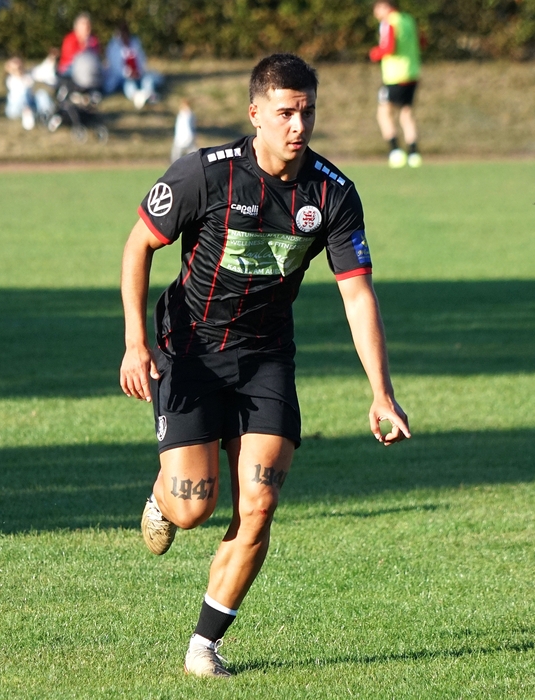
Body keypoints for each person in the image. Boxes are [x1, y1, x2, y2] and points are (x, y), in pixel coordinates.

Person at [120, 53, 410, 678]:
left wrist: (381, 392)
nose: (298, 125)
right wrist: (135, 343)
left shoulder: (332, 193)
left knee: (259, 503)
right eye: (284, 113)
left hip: (266, 358)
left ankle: (204, 646)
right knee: (194, 508)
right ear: (255, 114)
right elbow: (139, 244)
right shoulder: (205, 174)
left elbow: (357, 294)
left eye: (307, 112)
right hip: (190, 351)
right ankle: (163, 497)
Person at [368, 0, 422, 168]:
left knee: (384, 113)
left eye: (377, 8)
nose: (376, 13)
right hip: (412, 73)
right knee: (406, 113)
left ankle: (395, 151)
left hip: (395, 76)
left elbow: (389, 47)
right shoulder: (408, 20)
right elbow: (422, 41)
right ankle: (413, 153)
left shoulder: (389, 23)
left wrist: (374, 54)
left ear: (386, 6)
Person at [103, 22, 161, 109]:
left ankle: (149, 94)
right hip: (122, 78)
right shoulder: (113, 46)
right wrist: (128, 73)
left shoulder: (135, 43)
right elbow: (115, 67)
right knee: (128, 84)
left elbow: (141, 60)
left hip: (137, 74)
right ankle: (136, 96)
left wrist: (138, 72)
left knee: (147, 80)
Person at [4, 56, 53, 130]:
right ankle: (27, 114)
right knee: (24, 94)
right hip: (16, 109)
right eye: (15, 69)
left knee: (41, 93)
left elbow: (42, 70)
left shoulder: (28, 75)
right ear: (10, 70)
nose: (19, 70)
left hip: (31, 105)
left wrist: (50, 59)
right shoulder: (10, 80)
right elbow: (21, 88)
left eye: (20, 67)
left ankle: (46, 113)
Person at [58, 12, 100, 89]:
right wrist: (83, 46)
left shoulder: (93, 40)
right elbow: (70, 60)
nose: (87, 27)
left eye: (88, 24)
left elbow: (95, 57)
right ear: (77, 26)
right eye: (84, 24)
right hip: (70, 68)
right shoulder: (70, 39)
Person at [170, 98, 196, 163]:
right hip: (180, 136)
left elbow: (189, 126)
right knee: (177, 154)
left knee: (192, 153)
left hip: (186, 136)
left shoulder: (188, 114)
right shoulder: (182, 114)